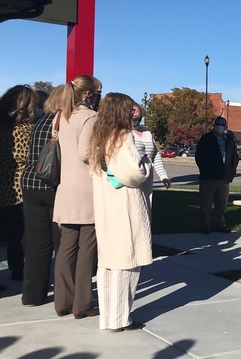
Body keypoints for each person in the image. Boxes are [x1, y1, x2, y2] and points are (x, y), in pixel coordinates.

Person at [89, 93, 152, 333]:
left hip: (106, 203)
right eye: (129, 109)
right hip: (124, 204)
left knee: (108, 262)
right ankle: (120, 318)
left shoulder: (98, 135)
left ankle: (108, 317)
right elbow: (133, 174)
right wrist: (145, 163)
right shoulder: (122, 136)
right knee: (127, 261)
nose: (132, 114)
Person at [0, 85, 37, 293]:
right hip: (14, 184)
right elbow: (23, 156)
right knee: (17, 229)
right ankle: (17, 268)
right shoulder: (25, 128)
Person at [52, 74, 102, 319]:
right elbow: (85, 152)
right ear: (87, 94)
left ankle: (62, 300)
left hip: (65, 187)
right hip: (86, 187)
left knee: (66, 247)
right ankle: (82, 303)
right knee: (87, 249)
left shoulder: (60, 117)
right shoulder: (90, 117)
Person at [20, 85, 64, 305]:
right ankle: (64, 294)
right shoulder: (63, 123)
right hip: (52, 186)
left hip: (30, 183)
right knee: (62, 243)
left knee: (37, 244)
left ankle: (32, 295)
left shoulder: (39, 121)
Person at [195, 116, 239, 234]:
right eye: (218, 124)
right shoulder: (206, 138)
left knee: (221, 204)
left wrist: (231, 172)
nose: (220, 126)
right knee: (206, 203)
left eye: (222, 124)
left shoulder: (229, 140)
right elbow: (199, 156)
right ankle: (205, 226)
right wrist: (204, 170)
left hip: (224, 177)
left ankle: (220, 225)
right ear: (214, 125)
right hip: (209, 177)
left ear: (225, 127)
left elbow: (235, 157)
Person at [131, 102, 171, 200]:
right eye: (133, 114)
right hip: (133, 178)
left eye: (138, 116)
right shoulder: (124, 133)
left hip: (147, 179)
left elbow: (155, 155)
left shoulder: (147, 133)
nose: (136, 117)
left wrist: (163, 176)